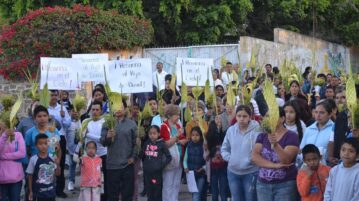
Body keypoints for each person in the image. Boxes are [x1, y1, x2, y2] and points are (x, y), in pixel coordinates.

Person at [252, 107, 299, 201]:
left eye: (272, 116)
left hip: (285, 184)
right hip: (263, 184)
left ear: (282, 119)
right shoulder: (262, 135)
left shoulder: (291, 136)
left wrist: (276, 145)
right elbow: (255, 157)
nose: (269, 119)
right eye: (267, 116)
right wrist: (275, 166)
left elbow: (286, 160)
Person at [221, 105, 261, 201]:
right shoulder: (231, 130)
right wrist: (231, 159)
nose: (241, 119)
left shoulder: (257, 130)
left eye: (244, 116)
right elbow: (224, 148)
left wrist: (254, 159)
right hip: (233, 172)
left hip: (251, 172)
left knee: (250, 198)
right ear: (236, 116)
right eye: (239, 116)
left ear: (250, 117)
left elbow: (261, 148)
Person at [100, 100, 137, 201]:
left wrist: (133, 157)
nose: (118, 109)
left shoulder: (132, 124)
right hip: (112, 165)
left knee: (128, 195)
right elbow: (103, 141)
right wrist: (108, 137)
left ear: (125, 109)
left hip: (127, 165)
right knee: (112, 195)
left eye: (120, 106)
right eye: (115, 106)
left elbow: (136, 143)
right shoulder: (107, 123)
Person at [160, 104, 187, 201]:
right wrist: (177, 137)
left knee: (176, 184)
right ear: (169, 115)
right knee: (168, 184)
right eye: (177, 114)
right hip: (169, 160)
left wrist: (178, 140)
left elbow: (184, 140)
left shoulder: (178, 125)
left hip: (179, 159)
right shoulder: (164, 126)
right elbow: (166, 144)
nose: (178, 116)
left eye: (179, 114)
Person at [47, 90, 71, 198]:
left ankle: (60, 190)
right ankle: (48, 188)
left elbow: (68, 124)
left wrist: (62, 117)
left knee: (59, 163)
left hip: (60, 137)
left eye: (55, 95)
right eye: (51, 95)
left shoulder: (62, 108)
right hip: (47, 137)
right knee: (48, 162)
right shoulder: (45, 108)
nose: (53, 97)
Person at [141, 125, 172, 201]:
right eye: (150, 133)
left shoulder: (161, 144)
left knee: (157, 193)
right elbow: (141, 155)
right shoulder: (146, 143)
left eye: (154, 133)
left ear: (158, 134)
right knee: (149, 192)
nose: (152, 135)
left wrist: (161, 165)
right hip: (147, 173)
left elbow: (169, 157)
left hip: (157, 173)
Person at [26, 134, 60, 201]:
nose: (43, 146)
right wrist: (30, 191)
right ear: (36, 146)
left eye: (45, 143)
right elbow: (30, 176)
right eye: (40, 144)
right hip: (38, 194)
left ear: (49, 144)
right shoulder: (33, 159)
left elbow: (57, 174)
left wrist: (58, 165)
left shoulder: (53, 157)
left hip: (51, 193)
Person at [300, 101, 334, 165]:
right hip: (307, 166)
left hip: (325, 167)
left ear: (329, 114)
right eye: (316, 112)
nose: (318, 115)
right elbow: (301, 149)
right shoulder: (309, 129)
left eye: (322, 113)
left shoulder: (334, 129)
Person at [0, 124, 26, 201]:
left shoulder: (18, 135)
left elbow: (22, 153)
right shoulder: (2, 136)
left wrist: (2, 156)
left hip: (16, 177)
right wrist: (4, 136)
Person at [206, 118, 229, 201]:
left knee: (223, 187)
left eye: (220, 119)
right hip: (213, 164)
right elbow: (210, 142)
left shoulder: (224, 132)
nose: (219, 121)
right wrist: (216, 130)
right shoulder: (210, 134)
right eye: (216, 119)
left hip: (223, 164)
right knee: (214, 187)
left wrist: (220, 131)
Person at [184, 127, 207, 201]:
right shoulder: (189, 146)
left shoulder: (203, 146)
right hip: (191, 175)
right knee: (195, 193)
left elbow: (207, 160)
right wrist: (185, 167)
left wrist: (203, 168)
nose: (195, 137)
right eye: (193, 135)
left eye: (197, 135)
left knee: (198, 193)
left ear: (200, 136)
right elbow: (185, 159)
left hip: (201, 174)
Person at [65, 106, 81, 191]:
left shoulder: (81, 120)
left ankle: (85, 181)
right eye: (73, 111)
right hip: (72, 148)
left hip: (81, 148)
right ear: (70, 112)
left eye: (77, 111)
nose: (75, 113)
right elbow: (64, 127)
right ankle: (71, 181)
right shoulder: (68, 122)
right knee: (72, 165)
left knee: (84, 165)